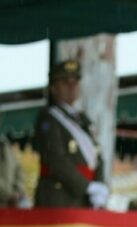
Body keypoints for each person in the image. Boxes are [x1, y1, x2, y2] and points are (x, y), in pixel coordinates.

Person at [33, 60, 108, 209]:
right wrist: (86, 186)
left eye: (75, 82)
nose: (71, 87)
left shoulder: (83, 120)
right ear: (54, 88)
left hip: (84, 199)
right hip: (59, 198)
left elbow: (96, 156)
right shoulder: (48, 118)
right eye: (65, 83)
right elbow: (56, 159)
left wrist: (98, 185)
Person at [0, 114, 26, 208]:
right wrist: (8, 195)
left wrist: (18, 191)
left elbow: (18, 169)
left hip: (9, 207)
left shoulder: (5, 144)